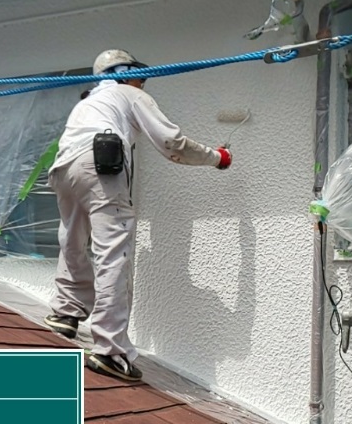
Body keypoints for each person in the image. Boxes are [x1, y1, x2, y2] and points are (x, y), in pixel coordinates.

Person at [44, 49, 232, 382]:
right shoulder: (129, 93)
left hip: (63, 170)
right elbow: (171, 142)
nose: (143, 84)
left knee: (72, 238)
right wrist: (217, 157)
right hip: (98, 165)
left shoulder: (87, 102)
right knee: (113, 252)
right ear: (125, 73)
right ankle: (111, 349)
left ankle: (66, 312)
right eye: (140, 77)